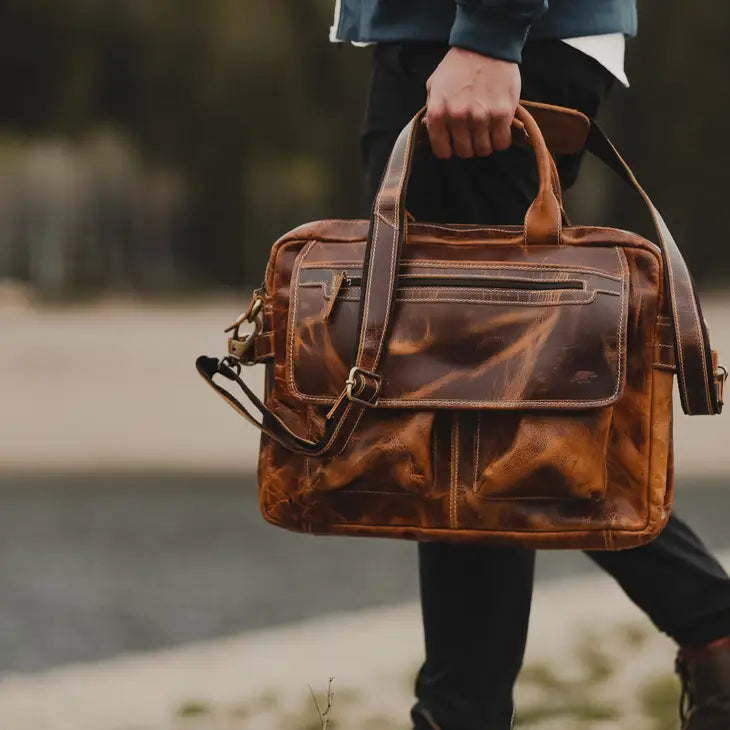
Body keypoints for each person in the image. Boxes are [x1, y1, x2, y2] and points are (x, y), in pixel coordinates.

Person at [329, 2, 730, 728]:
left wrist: (489, 30)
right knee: (470, 400)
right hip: (448, 39)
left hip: (474, 42)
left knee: (466, 395)